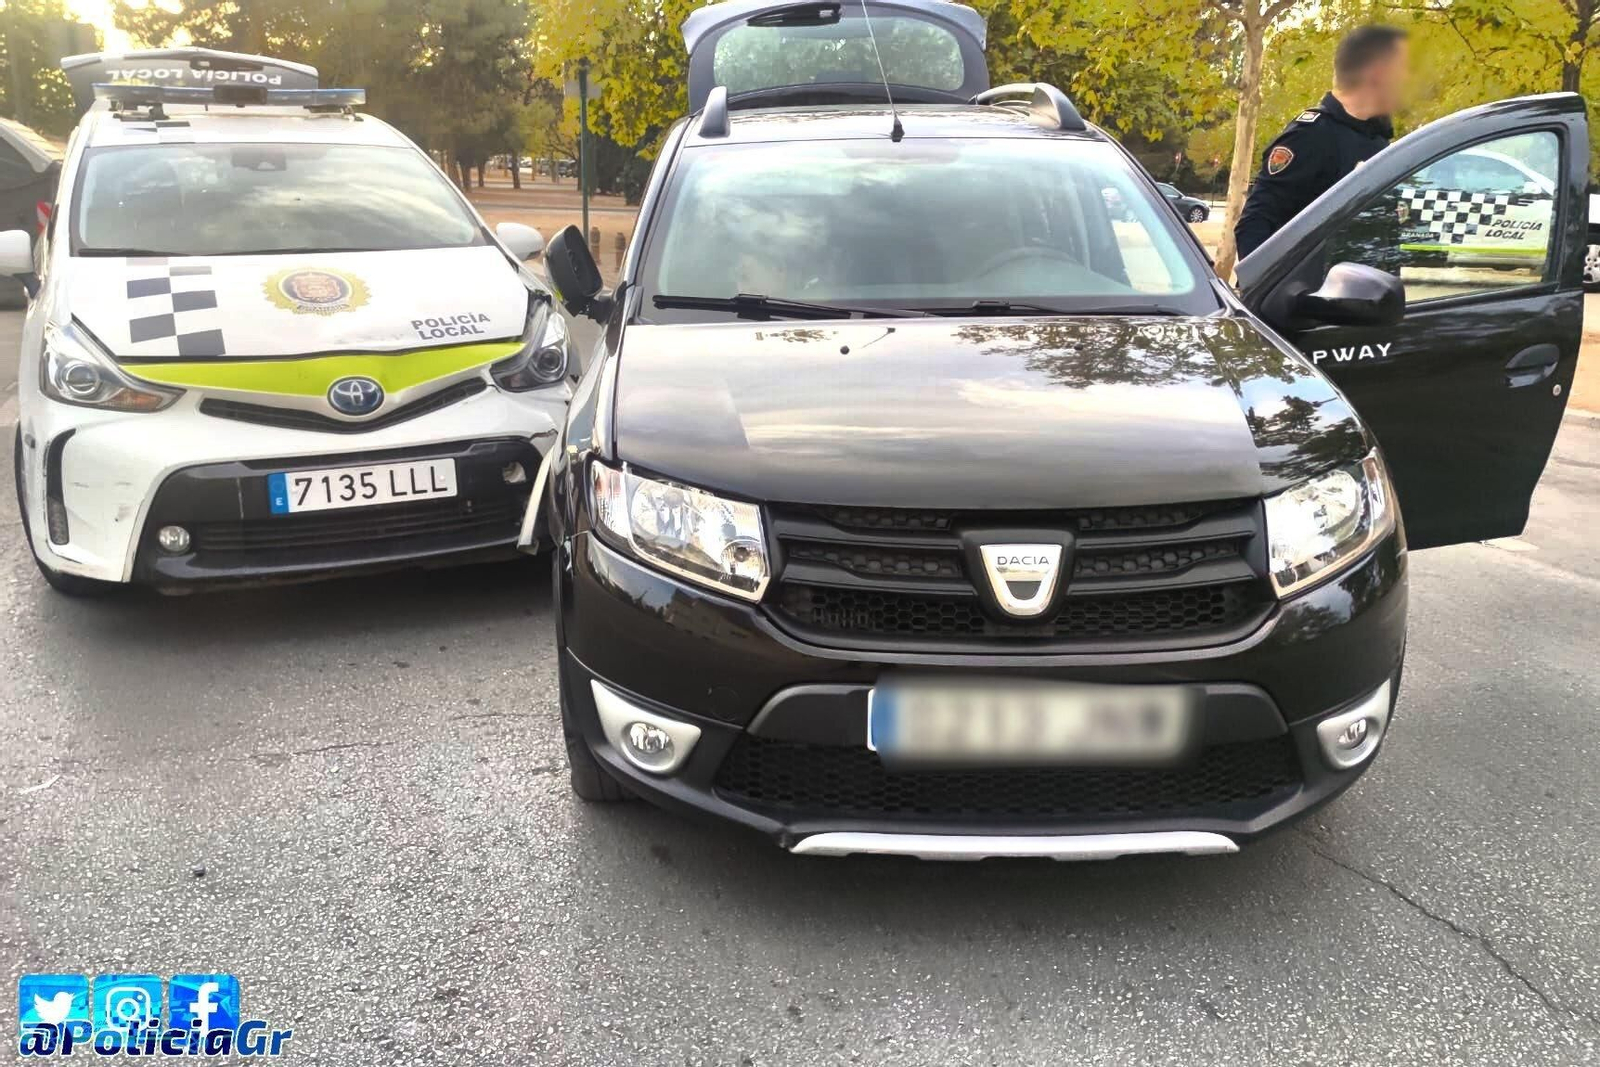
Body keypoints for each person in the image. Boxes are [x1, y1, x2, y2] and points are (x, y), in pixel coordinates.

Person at [1233, 24, 1411, 260]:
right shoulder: (1311, 135)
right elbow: (1254, 225)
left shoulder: (1378, 141)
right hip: (1312, 294)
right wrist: (1277, 293)